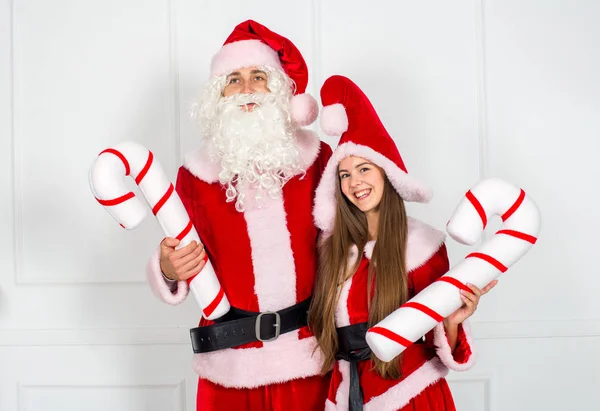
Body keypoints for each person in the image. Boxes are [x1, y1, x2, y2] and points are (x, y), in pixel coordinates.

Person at [145, 20, 332, 411]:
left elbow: (352, 250)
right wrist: (167, 268)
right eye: (234, 79)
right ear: (219, 94)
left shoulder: (317, 160)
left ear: (278, 90)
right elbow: (181, 253)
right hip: (227, 367)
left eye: (259, 77)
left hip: (309, 362)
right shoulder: (194, 175)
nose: (246, 90)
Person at [308, 75, 497, 411]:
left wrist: (453, 322)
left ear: (386, 174)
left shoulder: (421, 246)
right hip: (347, 392)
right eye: (345, 174)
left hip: (410, 393)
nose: (355, 182)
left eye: (364, 169)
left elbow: (437, 333)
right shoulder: (331, 247)